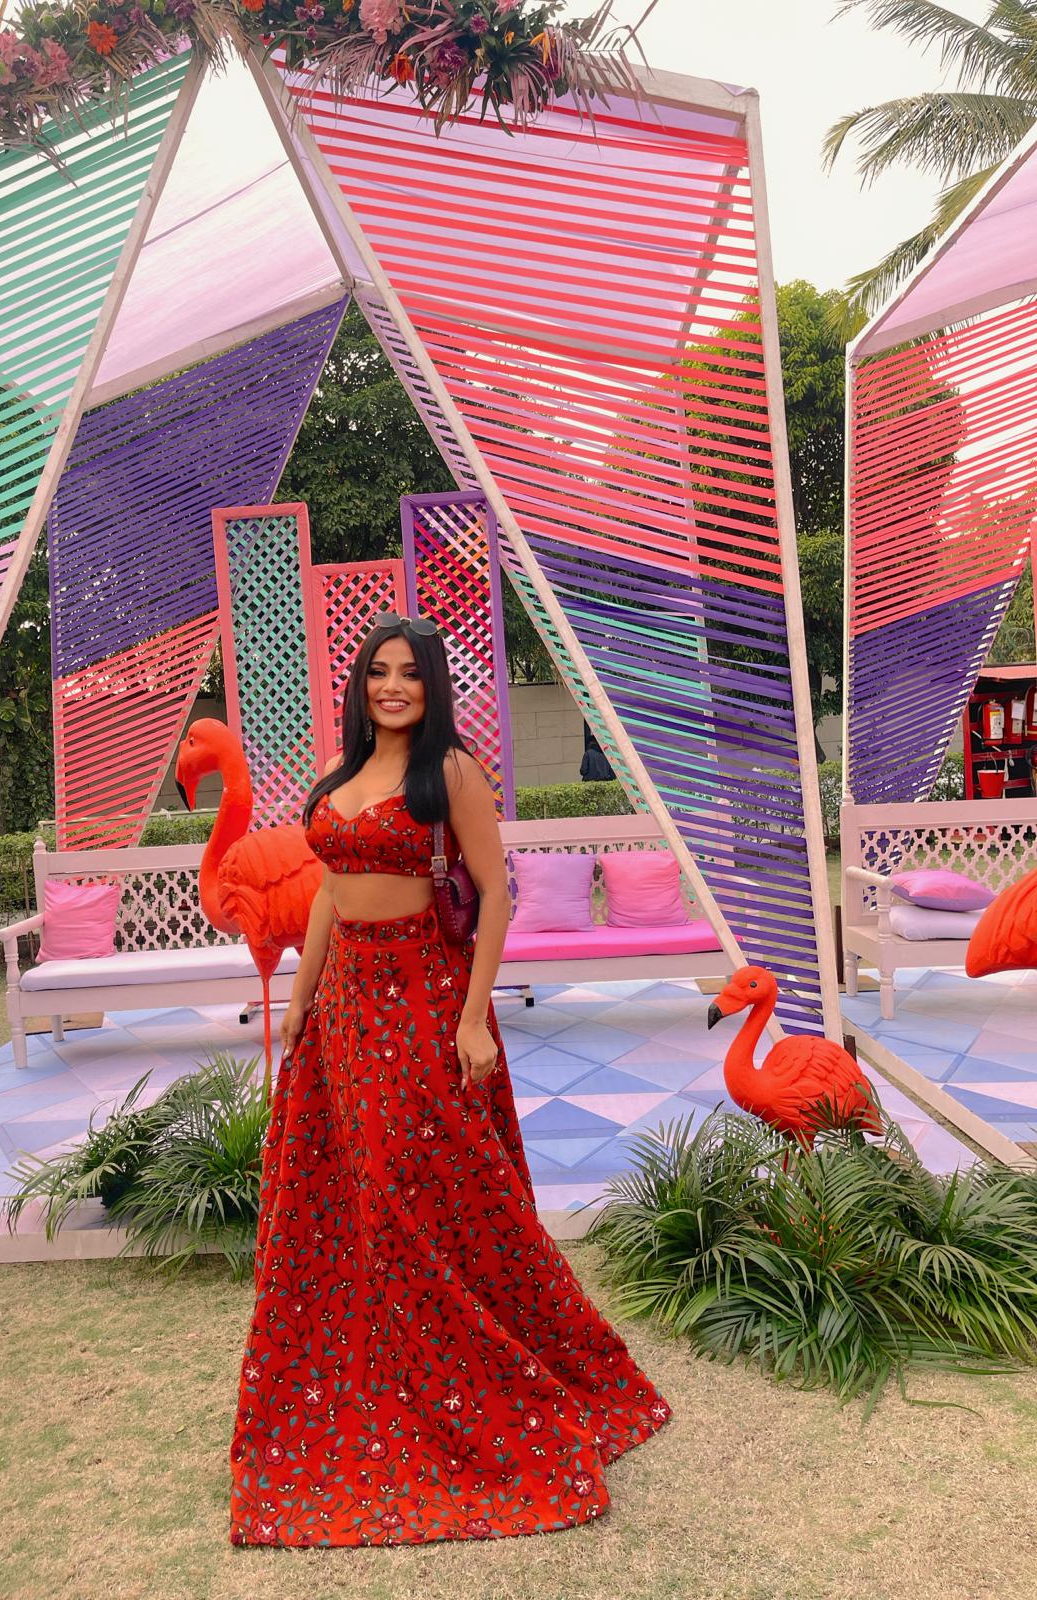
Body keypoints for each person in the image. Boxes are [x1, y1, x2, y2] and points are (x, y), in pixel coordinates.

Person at [229, 612, 669, 1549]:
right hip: (345, 1004)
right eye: (379, 673)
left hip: (421, 998)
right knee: (338, 1195)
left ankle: (465, 1367)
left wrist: (473, 1017)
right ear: (361, 685)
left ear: (432, 688)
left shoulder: (451, 773)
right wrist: (300, 1007)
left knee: (421, 1192)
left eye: (411, 675)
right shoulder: (342, 781)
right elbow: (323, 905)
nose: (393, 687)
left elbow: (495, 890)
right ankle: (369, 1369)